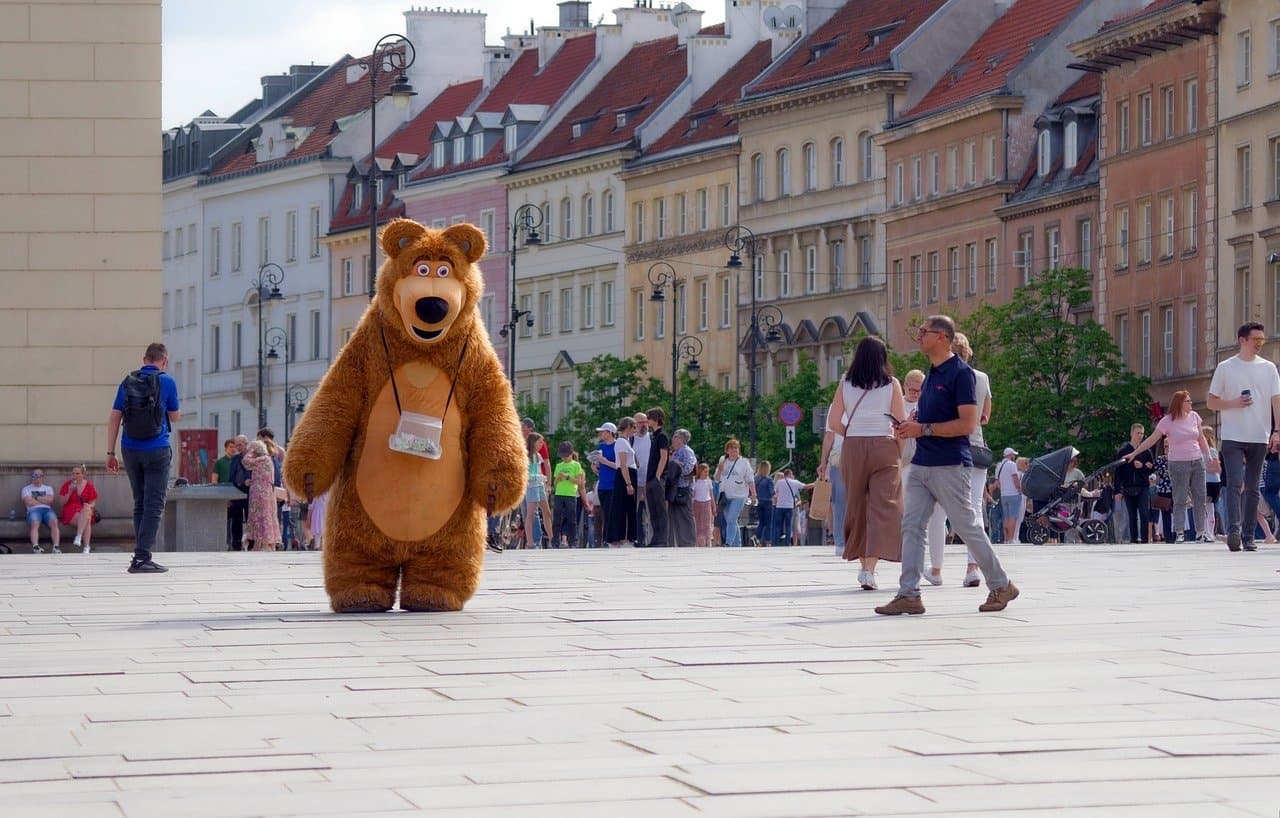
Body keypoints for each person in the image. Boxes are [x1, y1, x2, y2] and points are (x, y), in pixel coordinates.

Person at [877, 315, 1018, 616]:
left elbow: (967, 424)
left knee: (966, 525)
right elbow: (930, 416)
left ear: (942, 337)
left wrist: (923, 429)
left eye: (924, 332)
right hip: (922, 463)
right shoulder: (931, 373)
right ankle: (909, 594)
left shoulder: (961, 374)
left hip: (950, 464)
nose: (919, 336)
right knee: (912, 526)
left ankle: (1001, 584)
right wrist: (911, 424)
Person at [820, 334, 904, 590]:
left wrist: (852, 432)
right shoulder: (892, 384)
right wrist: (898, 453)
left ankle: (862, 565)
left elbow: (834, 422)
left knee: (857, 505)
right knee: (883, 507)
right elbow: (900, 423)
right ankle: (870, 570)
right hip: (884, 446)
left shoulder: (845, 382)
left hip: (854, 446)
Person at [106, 342, 180, 573]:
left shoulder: (128, 381)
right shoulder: (167, 381)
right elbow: (175, 416)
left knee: (140, 502)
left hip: (129, 448)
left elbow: (115, 417)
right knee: (154, 504)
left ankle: (141, 554)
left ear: (144, 359)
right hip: (157, 448)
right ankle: (141, 558)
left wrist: (110, 452)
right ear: (164, 361)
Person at [1207, 322, 1280, 552]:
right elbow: (1210, 402)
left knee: (1253, 487)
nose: (1259, 343)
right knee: (1235, 483)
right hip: (1233, 435)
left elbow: (1276, 400)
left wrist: (1277, 431)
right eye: (1255, 339)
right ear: (1242, 340)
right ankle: (1234, 532)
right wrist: (1234, 403)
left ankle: (1249, 537)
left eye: (1262, 340)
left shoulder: (1269, 368)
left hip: (1259, 434)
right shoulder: (1226, 367)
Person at [1123, 390, 1216, 544]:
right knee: (1180, 498)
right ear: (1179, 403)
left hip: (1197, 461)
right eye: (1188, 401)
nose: (1191, 403)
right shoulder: (1167, 421)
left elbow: (1201, 438)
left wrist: (1208, 455)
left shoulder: (1194, 416)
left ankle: (1201, 532)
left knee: (1200, 497)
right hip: (1178, 463)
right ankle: (1179, 532)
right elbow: (1152, 439)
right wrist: (1134, 453)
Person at [945, 332, 989, 587]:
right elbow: (985, 416)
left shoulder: (944, 378)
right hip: (976, 446)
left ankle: (935, 568)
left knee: (938, 510)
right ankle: (973, 567)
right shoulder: (982, 377)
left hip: (948, 449)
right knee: (975, 508)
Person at [901, 369, 946, 585]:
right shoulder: (897, 405)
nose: (916, 394)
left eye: (920, 390)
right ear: (904, 387)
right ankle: (912, 570)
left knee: (938, 516)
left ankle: (936, 568)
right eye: (912, 390)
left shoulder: (932, 402)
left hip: (933, 462)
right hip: (908, 464)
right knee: (912, 517)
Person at [1115, 423, 1154, 543]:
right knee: (1131, 516)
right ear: (1131, 433)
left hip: (1143, 487)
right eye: (1138, 433)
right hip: (1128, 487)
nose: (1140, 436)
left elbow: (1151, 469)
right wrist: (1117, 491)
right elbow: (1118, 473)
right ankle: (1133, 540)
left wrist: (1142, 466)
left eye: (1142, 433)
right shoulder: (1123, 452)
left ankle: (1145, 540)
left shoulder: (1146, 451)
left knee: (1144, 513)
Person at [241, 439, 281, 550]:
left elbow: (245, 461)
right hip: (263, 493)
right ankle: (258, 544)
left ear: (256, 451)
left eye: (253, 451)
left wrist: (250, 450)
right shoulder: (264, 460)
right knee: (260, 518)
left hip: (261, 494)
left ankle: (265, 544)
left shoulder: (263, 459)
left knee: (263, 517)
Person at [714, 439, 755, 547]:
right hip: (725, 496)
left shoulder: (744, 462)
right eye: (731, 448)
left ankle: (729, 543)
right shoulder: (723, 461)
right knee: (731, 520)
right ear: (727, 450)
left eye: (736, 448)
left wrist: (753, 494)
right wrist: (720, 469)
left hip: (739, 495)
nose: (734, 450)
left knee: (731, 518)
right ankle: (737, 544)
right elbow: (717, 479)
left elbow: (750, 479)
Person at [551, 440, 590, 549]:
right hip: (559, 494)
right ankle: (555, 541)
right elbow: (554, 484)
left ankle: (573, 541)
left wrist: (567, 477)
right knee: (557, 518)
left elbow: (579, 482)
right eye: (562, 456)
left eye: (565, 456)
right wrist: (558, 478)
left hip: (571, 495)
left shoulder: (576, 465)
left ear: (571, 454)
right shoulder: (559, 465)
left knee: (572, 519)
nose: (563, 458)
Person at [521, 418, 552, 547]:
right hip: (532, 486)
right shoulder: (528, 456)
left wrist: (545, 482)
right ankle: (530, 542)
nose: (542, 444)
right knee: (530, 514)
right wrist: (539, 477)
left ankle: (551, 539)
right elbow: (527, 474)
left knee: (547, 512)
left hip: (539, 486)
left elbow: (542, 467)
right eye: (540, 442)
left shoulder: (538, 455)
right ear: (534, 443)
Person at [642, 408, 670, 548]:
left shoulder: (662, 436)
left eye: (649, 418)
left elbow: (664, 457)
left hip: (657, 478)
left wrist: (658, 476)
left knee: (660, 510)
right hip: (650, 478)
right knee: (653, 510)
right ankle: (655, 538)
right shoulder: (654, 436)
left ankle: (662, 539)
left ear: (657, 419)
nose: (647, 420)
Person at [59, 465, 99, 554]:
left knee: (86, 510)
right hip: (70, 510)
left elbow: (93, 502)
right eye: (73, 473)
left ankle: (79, 536)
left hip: (84, 510)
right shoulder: (67, 485)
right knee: (87, 520)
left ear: (83, 474)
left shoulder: (89, 485)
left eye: (77, 473)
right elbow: (62, 502)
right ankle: (86, 547)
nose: (75, 475)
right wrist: (69, 491)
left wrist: (88, 506)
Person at [668, 429, 698, 547]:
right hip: (675, 488)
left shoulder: (687, 451)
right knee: (675, 516)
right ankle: (679, 542)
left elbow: (689, 468)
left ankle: (688, 542)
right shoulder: (676, 451)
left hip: (684, 488)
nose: (673, 439)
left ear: (681, 439)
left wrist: (675, 465)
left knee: (685, 516)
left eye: (675, 436)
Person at [21, 468, 60, 554]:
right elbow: (28, 502)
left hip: (47, 510)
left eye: (38, 475)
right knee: (35, 523)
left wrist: (35, 497)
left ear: (42, 477)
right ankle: (35, 547)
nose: (36, 477)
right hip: (33, 510)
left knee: (54, 522)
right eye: (34, 475)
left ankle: (56, 547)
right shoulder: (26, 489)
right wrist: (43, 500)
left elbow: (50, 501)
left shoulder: (48, 488)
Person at [614, 417, 639, 545]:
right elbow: (623, 464)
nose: (635, 430)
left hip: (630, 473)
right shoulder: (621, 442)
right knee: (624, 506)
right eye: (634, 427)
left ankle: (630, 536)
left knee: (630, 506)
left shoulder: (626, 441)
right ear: (628, 427)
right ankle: (622, 537)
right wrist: (628, 483)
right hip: (626, 475)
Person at [772, 469, 809, 547]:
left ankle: (775, 542)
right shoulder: (794, 482)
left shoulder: (779, 482)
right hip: (789, 507)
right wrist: (816, 483)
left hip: (779, 507)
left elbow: (774, 493)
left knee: (778, 525)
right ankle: (787, 542)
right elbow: (806, 486)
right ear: (789, 474)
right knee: (788, 525)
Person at [631, 412, 652, 545]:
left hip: (650, 480)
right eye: (640, 422)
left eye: (645, 422)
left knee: (651, 513)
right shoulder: (630, 440)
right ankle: (635, 539)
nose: (643, 425)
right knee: (634, 512)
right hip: (635, 481)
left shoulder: (652, 438)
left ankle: (652, 540)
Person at [996, 447, 1022, 543]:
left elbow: (998, 483)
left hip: (1003, 495)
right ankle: (1011, 539)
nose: (1014, 457)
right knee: (1013, 517)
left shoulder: (999, 466)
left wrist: (1003, 489)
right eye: (1014, 455)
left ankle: (1006, 539)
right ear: (1010, 455)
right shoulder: (1012, 465)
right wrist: (1020, 489)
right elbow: (1015, 479)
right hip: (1013, 493)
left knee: (1006, 517)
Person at [1204, 427, 1222, 539]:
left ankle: (1209, 533)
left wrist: (1202, 468)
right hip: (1207, 481)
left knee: (1209, 507)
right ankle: (1206, 532)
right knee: (1206, 507)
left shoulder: (1211, 451)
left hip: (1211, 481)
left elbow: (1217, 468)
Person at [753, 460, 774, 547]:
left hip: (758, 502)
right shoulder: (769, 479)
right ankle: (767, 540)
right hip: (767, 502)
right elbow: (772, 492)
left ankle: (757, 536)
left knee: (761, 522)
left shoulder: (755, 479)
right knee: (768, 522)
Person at [692, 462, 714, 547]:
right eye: (705, 472)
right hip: (697, 503)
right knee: (698, 523)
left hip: (707, 503)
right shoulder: (695, 481)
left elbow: (711, 494)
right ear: (700, 471)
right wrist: (692, 506)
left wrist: (713, 506)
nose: (707, 473)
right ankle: (699, 542)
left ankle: (708, 541)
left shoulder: (708, 481)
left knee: (707, 523)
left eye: (707, 472)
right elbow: (693, 495)